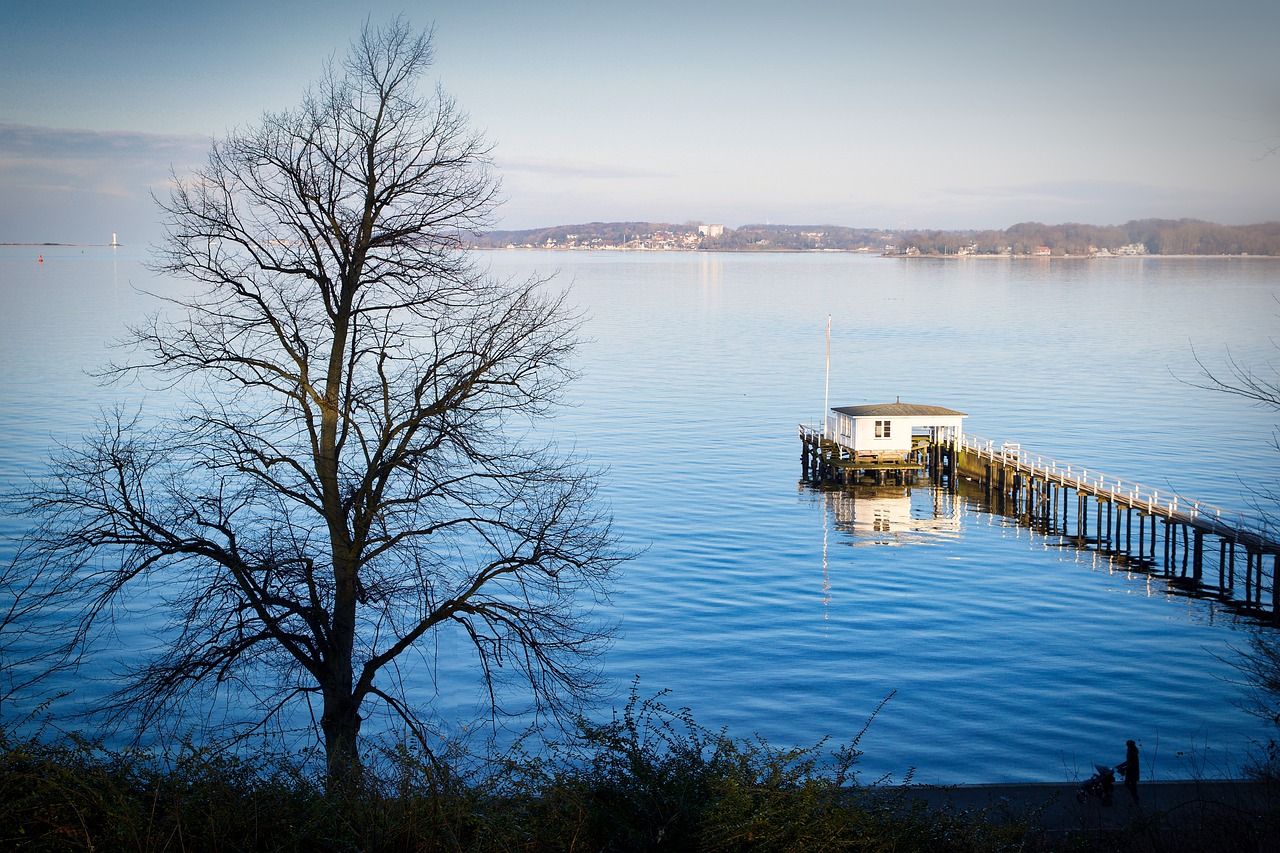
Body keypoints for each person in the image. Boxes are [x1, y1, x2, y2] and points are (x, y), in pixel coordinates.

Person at [1117, 739, 1140, 804]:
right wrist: (1121, 765)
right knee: (1131, 786)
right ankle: (1134, 799)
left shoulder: (1132, 754)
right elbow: (1129, 762)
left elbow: (1132, 765)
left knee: (1131, 786)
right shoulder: (1132, 753)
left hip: (1132, 773)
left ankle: (1135, 799)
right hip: (1131, 773)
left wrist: (1123, 769)